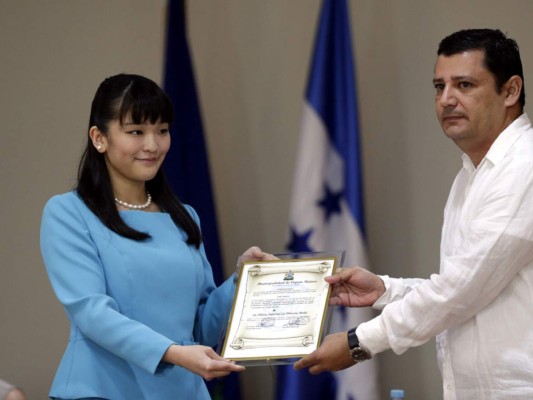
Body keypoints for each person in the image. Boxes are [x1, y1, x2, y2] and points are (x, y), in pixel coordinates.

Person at [294, 28, 533, 399]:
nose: (447, 99)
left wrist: (359, 341)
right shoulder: (471, 175)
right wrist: (385, 290)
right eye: (439, 87)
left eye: (465, 85)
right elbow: (469, 288)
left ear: (511, 91)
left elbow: (461, 291)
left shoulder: (524, 167)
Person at [40, 73, 271, 399]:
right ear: (99, 137)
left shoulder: (184, 216)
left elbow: (201, 330)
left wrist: (242, 279)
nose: (152, 145)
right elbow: (92, 314)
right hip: (100, 390)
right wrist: (174, 353)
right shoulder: (68, 212)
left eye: (161, 131)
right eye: (136, 131)